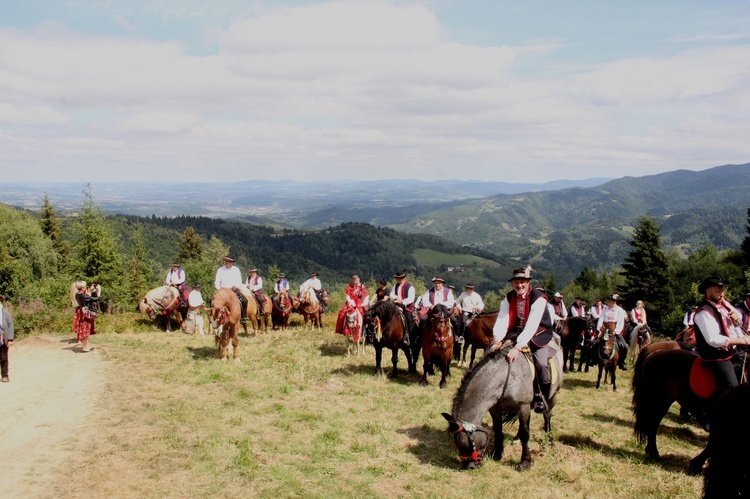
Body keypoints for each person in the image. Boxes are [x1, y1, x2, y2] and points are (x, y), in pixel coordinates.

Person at [489, 266, 554, 413]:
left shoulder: (538, 298)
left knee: (542, 363)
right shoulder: (509, 297)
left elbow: (532, 325)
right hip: (516, 332)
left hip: (538, 333)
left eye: (523, 282)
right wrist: (497, 340)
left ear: (528, 282)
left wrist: (517, 347)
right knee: (490, 353)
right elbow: (502, 319)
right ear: (512, 283)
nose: (519, 285)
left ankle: (541, 396)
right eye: (516, 282)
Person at [694, 276, 749, 407]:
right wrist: (742, 340)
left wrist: (737, 323)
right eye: (718, 291)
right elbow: (713, 340)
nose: (722, 294)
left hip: (730, 350)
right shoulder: (704, 312)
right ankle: (715, 414)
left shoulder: (723, 307)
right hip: (715, 355)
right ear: (708, 291)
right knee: (732, 387)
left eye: (722, 290)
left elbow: (732, 328)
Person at [595, 294, 629, 370]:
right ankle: (594, 359)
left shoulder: (619, 310)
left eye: (611, 301)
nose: (609, 302)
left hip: (614, 330)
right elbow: (601, 319)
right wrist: (599, 330)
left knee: (625, 346)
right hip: (604, 330)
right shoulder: (605, 309)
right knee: (593, 343)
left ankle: (622, 362)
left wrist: (616, 331)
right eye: (609, 301)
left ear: (615, 302)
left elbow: (621, 322)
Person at [214, 256, 252, 324]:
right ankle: (213, 317)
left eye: (228, 261)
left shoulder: (236, 270)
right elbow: (217, 281)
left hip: (233, 289)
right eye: (226, 261)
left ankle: (243, 317)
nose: (227, 262)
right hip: (223, 291)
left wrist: (236, 286)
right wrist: (219, 289)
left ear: (231, 262)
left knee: (244, 300)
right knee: (212, 300)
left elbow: (239, 280)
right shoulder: (220, 269)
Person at [390, 270, 416, 345]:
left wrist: (402, 301)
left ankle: (409, 336)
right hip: (396, 305)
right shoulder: (395, 286)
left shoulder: (410, 287)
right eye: (397, 278)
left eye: (399, 278)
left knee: (408, 318)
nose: (397, 280)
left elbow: (411, 299)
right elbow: (391, 294)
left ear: (403, 278)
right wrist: (396, 298)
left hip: (407, 307)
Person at [72, 280, 98, 352]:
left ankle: (85, 345)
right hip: (85, 312)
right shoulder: (83, 295)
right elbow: (94, 299)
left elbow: (85, 296)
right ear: (83, 287)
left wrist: (89, 290)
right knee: (85, 328)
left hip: (80, 311)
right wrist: (99, 292)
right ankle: (84, 347)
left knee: (84, 328)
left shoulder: (77, 294)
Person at [0, 298, 15, 382]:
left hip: (2, 338)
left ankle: (4, 375)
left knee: (3, 358)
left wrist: (10, 339)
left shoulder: (5, 312)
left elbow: (10, 325)